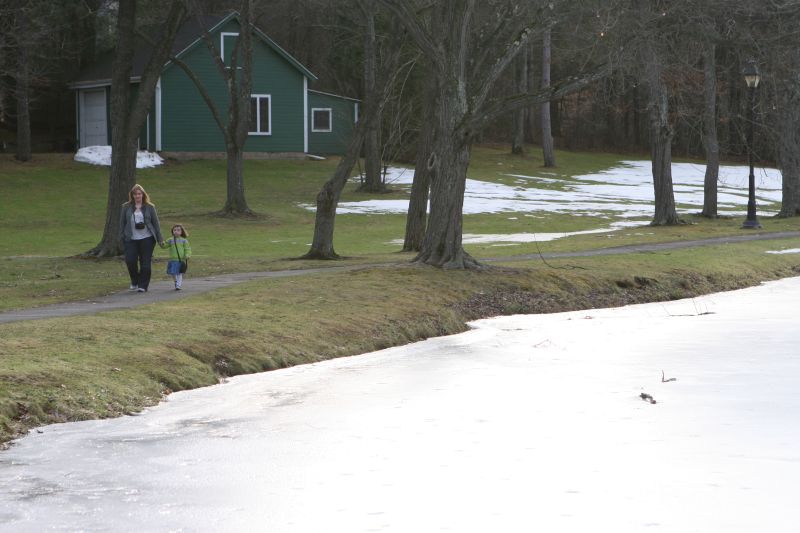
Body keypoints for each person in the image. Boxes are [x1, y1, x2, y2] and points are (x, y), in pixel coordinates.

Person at [119, 184, 164, 292]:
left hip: (147, 239)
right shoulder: (126, 207)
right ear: (132, 195)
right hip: (131, 239)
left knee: (145, 263)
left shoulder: (150, 207)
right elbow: (122, 223)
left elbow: (156, 224)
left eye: (139, 194)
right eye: (135, 194)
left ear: (143, 194)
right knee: (130, 261)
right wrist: (121, 237)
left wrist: (160, 239)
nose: (137, 196)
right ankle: (135, 281)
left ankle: (143, 285)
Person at [165, 224, 191, 290]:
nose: (176, 231)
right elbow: (164, 246)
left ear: (181, 232)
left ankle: (178, 285)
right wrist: (162, 243)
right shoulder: (170, 240)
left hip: (180, 260)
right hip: (172, 260)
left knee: (179, 273)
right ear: (172, 231)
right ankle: (176, 282)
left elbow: (187, 249)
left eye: (178, 230)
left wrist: (187, 255)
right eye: (175, 230)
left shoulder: (184, 240)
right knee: (173, 272)